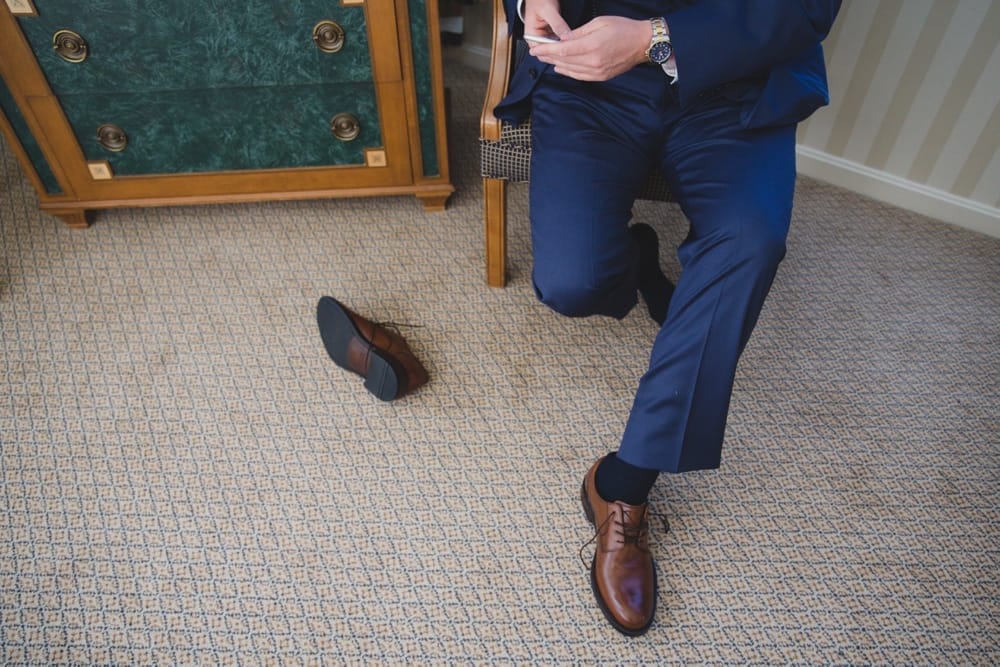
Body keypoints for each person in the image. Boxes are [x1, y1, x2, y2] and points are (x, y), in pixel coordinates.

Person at [494, 0, 841, 636]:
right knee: (572, 283)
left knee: (749, 241)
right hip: (590, 72)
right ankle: (641, 264)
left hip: (733, 79)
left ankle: (624, 482)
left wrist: (656, 37)